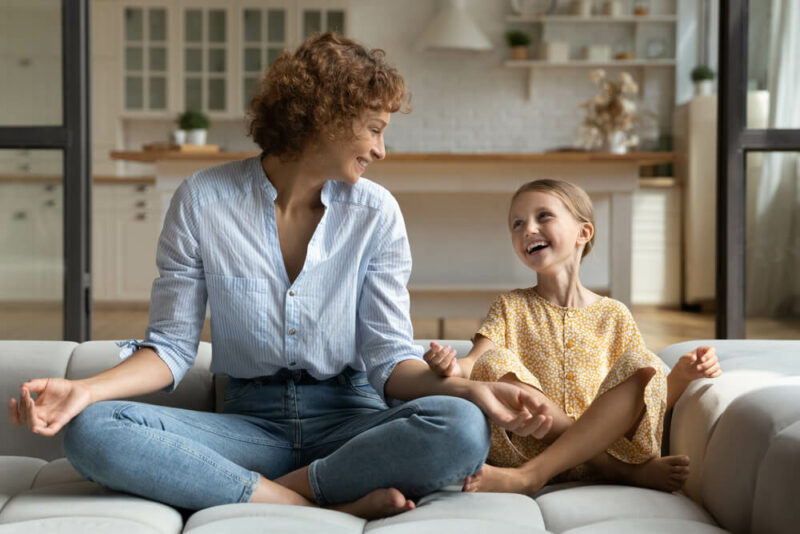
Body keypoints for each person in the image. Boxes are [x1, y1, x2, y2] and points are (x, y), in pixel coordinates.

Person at [6, 33, 549, 518]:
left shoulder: (377, 213)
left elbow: (388, 360)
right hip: (249, 424)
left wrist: (470, 389)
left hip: (353, 422)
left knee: (460, 428)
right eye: (374, 130)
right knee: (93, 431)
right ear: (326, 117)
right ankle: (309, 498)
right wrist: (82, 390)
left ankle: (265, 491)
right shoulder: (202, 200)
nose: (381, 150)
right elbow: (171, 348)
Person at [424, 179, 722, 495]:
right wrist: (451, 368)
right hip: (528, 447)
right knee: (495, 361)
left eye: (543, 216)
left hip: (611, 441)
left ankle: (539, 474)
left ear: (584, 233)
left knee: (644, 362)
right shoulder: (510, 305)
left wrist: (681, 376)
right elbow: (475, 363)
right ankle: (612, 469)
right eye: (517, 223)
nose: (528, 229)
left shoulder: (614, 314)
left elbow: (644, 398)